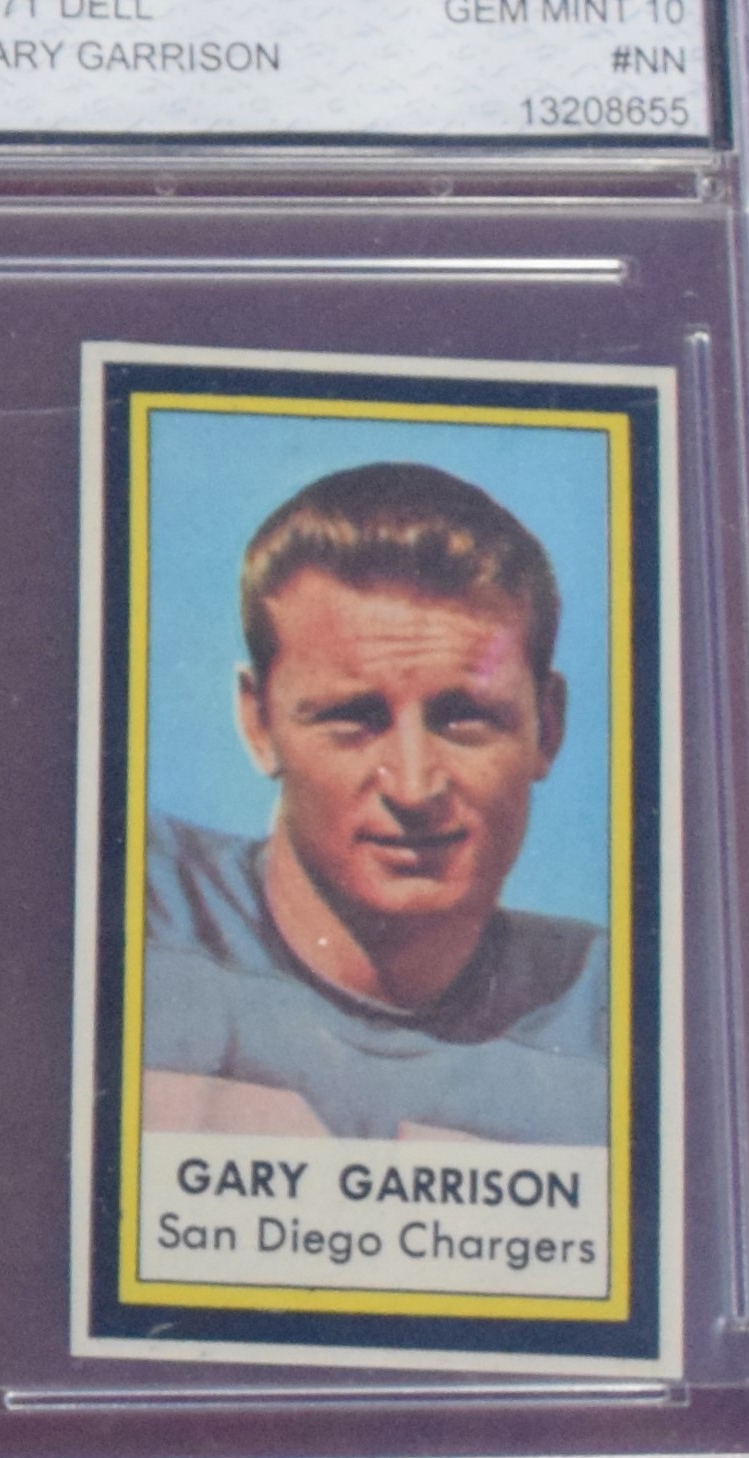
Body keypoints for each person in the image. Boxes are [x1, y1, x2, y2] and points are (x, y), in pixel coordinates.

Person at [141, 459, 607, 1143]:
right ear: (258, 723)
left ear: (550, 726)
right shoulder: (125, 910)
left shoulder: (630, 1016)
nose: (414, 787)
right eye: (353, 718)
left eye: (464, 718)